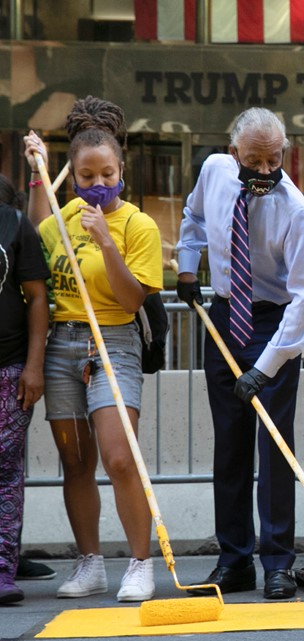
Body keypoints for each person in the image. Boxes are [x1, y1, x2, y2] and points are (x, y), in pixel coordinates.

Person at [23, 97, 164, 602]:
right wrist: (38, 173)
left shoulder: (137, 225)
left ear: (121, 169)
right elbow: (38, 237)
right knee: (75, 461)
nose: (98, 184)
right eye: (87, 176)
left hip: (113, 342)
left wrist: (106, 241)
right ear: (74, 175)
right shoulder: (60, 221)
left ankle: (140, 564)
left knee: (119, 456)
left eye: (108, 173)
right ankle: (90, 564)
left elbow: (131, 300)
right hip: (63, 342)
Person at [177, 107, 304, 600]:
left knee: (275, 447)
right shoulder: (215, 172)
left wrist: (264, 368)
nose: (264, 171)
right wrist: (188, 266)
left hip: (272, 324)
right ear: (233, 152)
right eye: (254, 160)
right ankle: (233, 560)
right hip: (224, 314)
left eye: (274, 159)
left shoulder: (294, 210)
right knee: (229, 445)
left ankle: (277, 562)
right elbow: (193, 216)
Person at [0, 173, 55, 584]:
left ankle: (2, 569)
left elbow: (38, 296)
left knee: (6, 472)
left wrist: (34, 367)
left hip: (10, 365)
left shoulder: (13, 223)